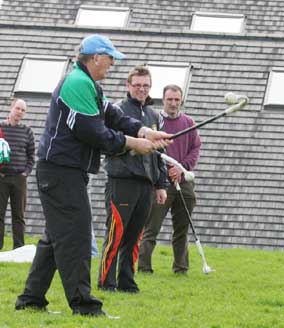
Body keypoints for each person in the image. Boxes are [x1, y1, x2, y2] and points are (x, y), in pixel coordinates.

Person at [15, 34, 172, 316]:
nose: (112, 64)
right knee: (75, 237)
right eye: (110, 59)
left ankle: (31, 299)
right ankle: (85, 306)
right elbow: (93, 132)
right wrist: (133, 144)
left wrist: (145, 131)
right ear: (96, 57)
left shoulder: (89, 86)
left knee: (56, 237)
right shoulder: (77, 83)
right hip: (60, 172)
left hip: (66, 172)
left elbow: (112, 115)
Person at [98, 66, 169, 292]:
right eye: (137, 85)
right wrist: (132, 149)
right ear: (128, 86)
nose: (141, 89)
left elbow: (161, 153)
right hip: (122, 180)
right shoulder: (117, 111)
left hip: (146, 184)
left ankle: (127, 281)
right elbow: (106, 143)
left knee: (135, 235)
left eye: (145, 86)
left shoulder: (154, 115)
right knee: (116, 232)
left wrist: (160, 184)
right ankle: (106, 281)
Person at [139, 84, 201, 274]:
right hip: (161, 183)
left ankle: (181, 268)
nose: (173, 103)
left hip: (183, 181)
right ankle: (144, 267)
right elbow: (151, 150)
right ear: (163, 100)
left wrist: (181, 169)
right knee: (152, 228)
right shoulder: (155, 122)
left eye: (177, 99)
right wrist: (166, 171)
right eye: (169, 99)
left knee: (182, 228)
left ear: (181, 100)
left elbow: (195, 149)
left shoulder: (189, 122)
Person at [0, 99, 35, 250]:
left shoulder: (27, 131)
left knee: (19, 216)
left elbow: (31, 156)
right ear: (11, 108)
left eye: (23, 110)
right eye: (18, 108)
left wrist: (25, 173)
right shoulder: (0, 128)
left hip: (19, 179)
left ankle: (19, 249)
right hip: (1, 178)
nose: (20, 112)